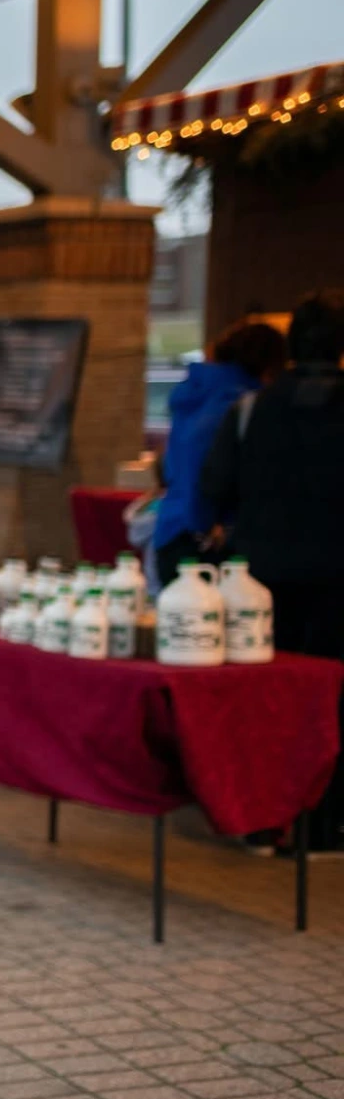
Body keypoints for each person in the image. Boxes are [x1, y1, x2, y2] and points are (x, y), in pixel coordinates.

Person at [201, 293, 344, 850]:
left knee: (269, 697)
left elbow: (214, 490)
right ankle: (326, 820)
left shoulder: (250, 411)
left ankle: (265, 817)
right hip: (338, 580)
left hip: (261, 581)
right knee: (334, 699)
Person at [153, 320, 287, 586]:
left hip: (171, 532)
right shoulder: (237, 403)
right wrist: (204, 524)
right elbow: (199, 466)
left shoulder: (197, 393)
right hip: (204, 541)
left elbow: (172, 464)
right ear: (268, 367)